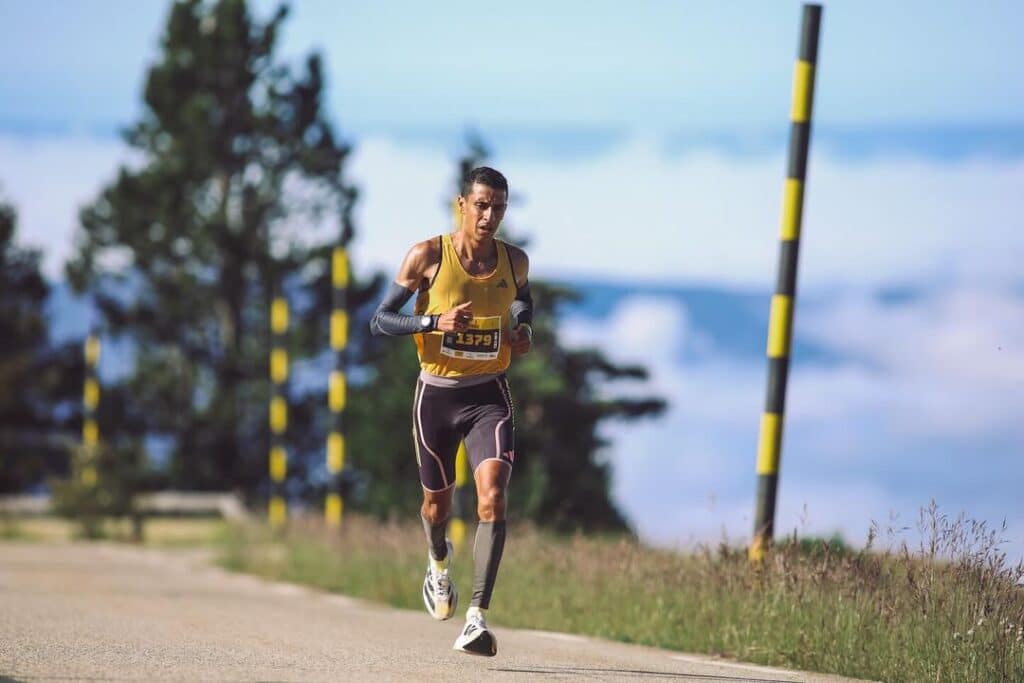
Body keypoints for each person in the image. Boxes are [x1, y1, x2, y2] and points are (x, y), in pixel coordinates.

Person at [369, 166, 532, 657]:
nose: (488, 216)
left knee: (492, 497)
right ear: (462, 204)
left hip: (488, 396)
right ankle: (438, 561)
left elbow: (523, 302)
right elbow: (380, 320)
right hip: (436, 397)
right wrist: (434, 320)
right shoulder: (428, 256)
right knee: (436, 509)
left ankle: (477, 617)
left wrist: (523, 330)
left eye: (498, 207)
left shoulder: (515, 261)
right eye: (480, 205)